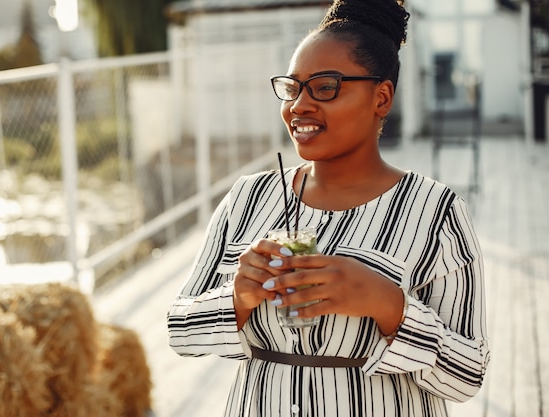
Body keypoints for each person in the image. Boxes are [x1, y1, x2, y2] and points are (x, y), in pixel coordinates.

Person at [167, 0, 490, 415]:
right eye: (292, 87)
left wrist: (389, 305)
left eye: (324, 87)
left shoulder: (436, 213)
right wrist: (238, 297)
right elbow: (180, 331)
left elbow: (467, 377)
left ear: (381, 97)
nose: (298, 105)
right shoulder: (248, 199)